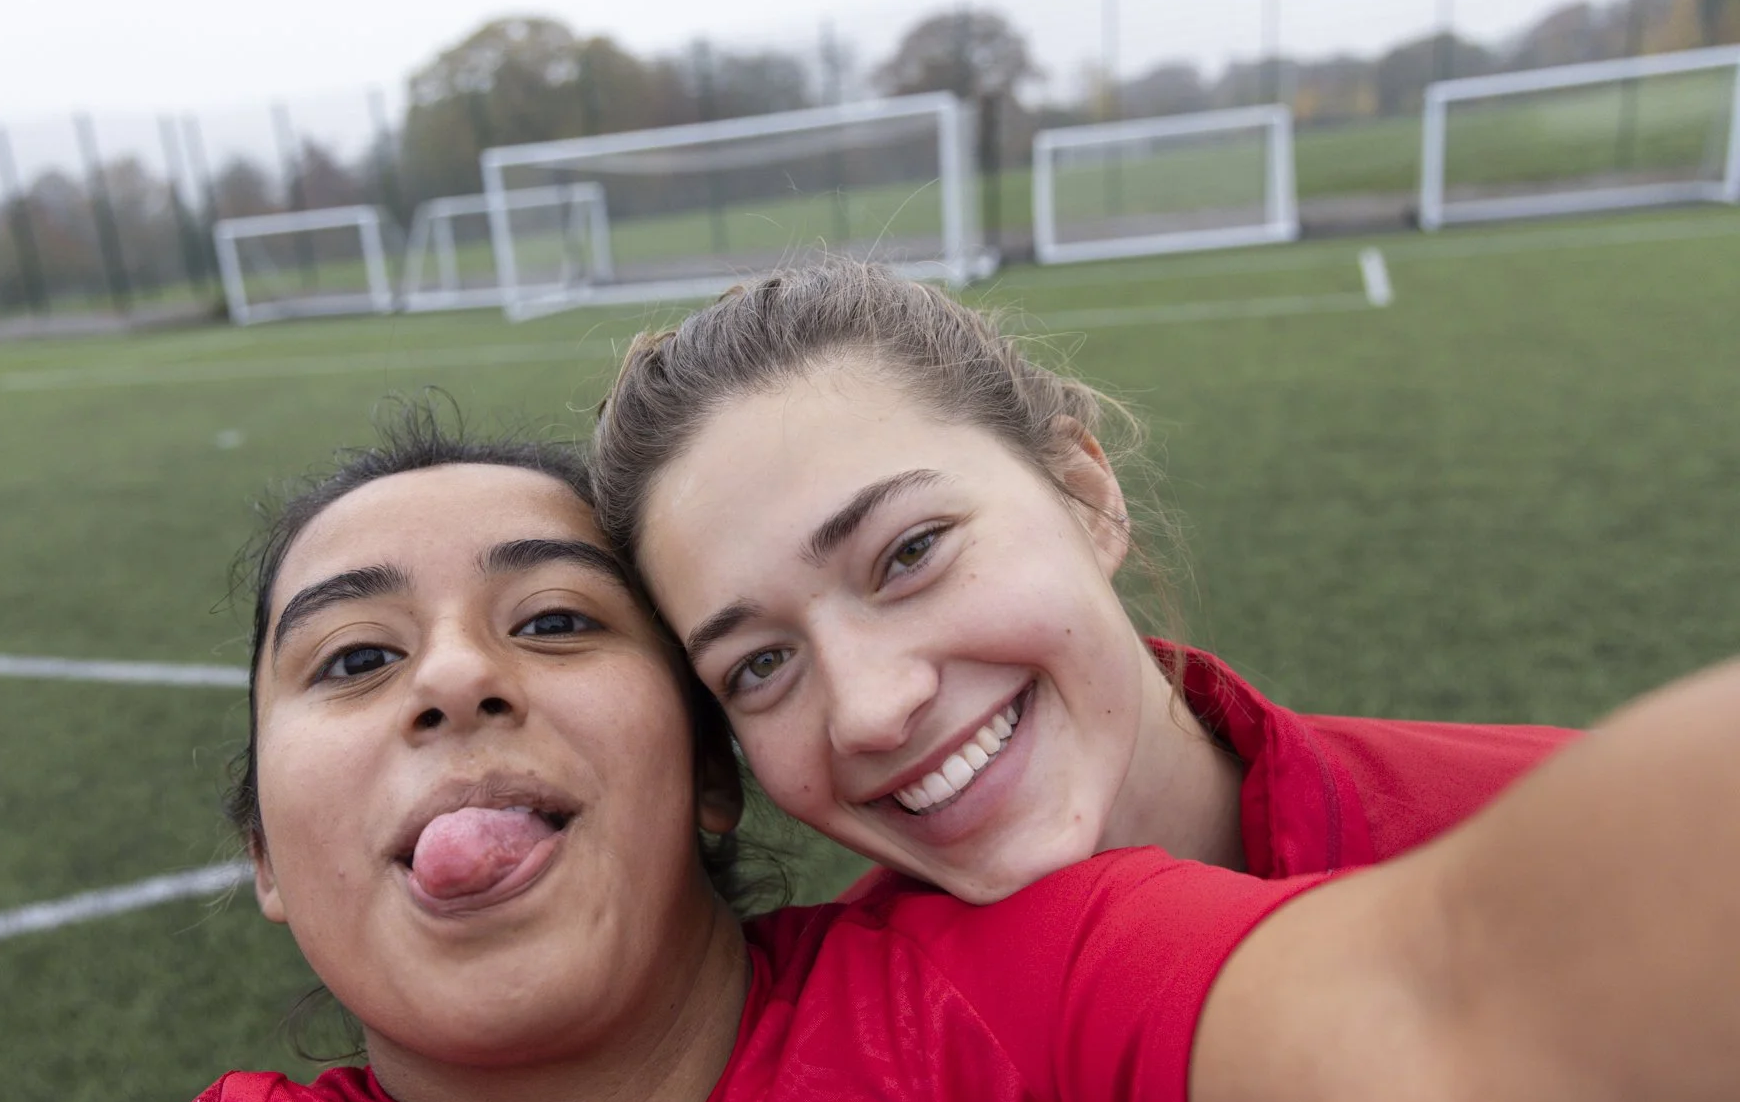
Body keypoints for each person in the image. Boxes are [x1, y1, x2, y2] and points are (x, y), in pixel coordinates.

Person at [0, 412, 1739, 1102]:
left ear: (699, 772)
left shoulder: (1023, 991)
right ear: (265, 857)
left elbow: (1469, 1036)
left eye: (557, 618)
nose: (451, 678)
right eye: (347, 656)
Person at [590, 259, 1577, 902]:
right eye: (758, 663)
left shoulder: (1559, 845)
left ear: (1081, 491)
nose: (870, 710)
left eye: (908, 552)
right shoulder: (801, 1095)